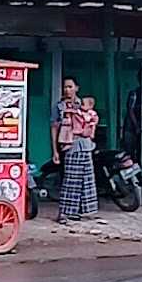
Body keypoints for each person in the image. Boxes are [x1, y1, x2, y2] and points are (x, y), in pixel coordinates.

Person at [51, 77, 98, 224]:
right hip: (71, 146)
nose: (67, 90)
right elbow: (54, 129)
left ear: (77, 88)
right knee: (71, 180)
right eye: (65, 87)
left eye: (70, 87)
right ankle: (64, 212)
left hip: (86, 145)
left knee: (87, 180)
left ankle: (82, 212)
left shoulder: (84, 104)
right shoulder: (59, 107)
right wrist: (55, 151)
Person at [122, 71, 142, 163]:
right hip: (130, 129)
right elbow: (130, 110)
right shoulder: (135, 93)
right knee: (129, 154)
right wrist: (136, 126)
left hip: (138, 128)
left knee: (139, 153)